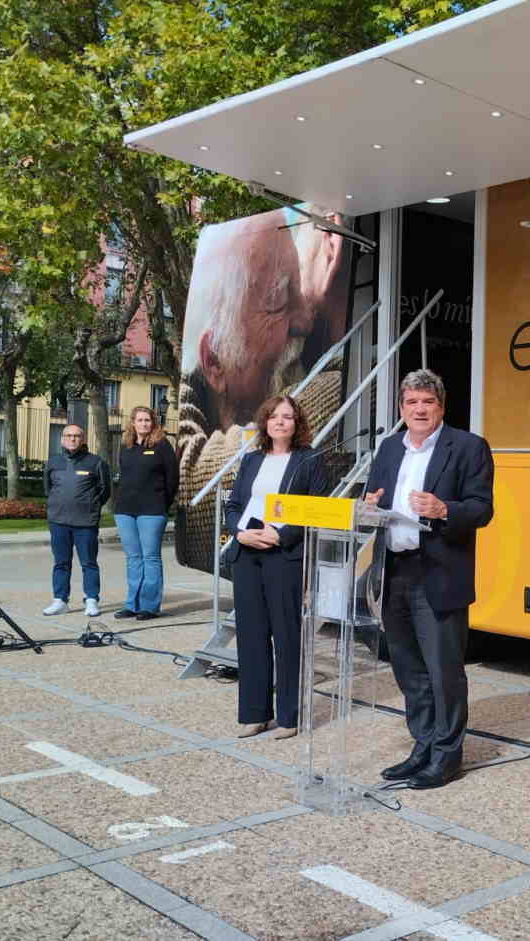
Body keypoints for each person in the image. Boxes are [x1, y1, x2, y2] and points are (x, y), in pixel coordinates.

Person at [176, 206, 351, 575]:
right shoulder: (210, 465)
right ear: (215, 361)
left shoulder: (213, 407)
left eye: (300, 288)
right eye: (278, 301)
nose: (306, 318)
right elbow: (212, 496)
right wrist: (338, 322)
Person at [364, 369, 494, 789]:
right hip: (395, 570)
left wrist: (444, 510)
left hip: (438, 572)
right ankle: (422, 746)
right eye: (412, 402)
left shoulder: (468, 447)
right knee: (408, 669)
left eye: (428, 402)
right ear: (401, 408)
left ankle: (447, 756)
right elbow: (372, 500)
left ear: (441, 406)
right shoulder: (388, 449)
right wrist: (365, 506)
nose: (419, 409)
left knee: (443, 672)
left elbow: (482, 509)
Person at [223, 394, 329, 739]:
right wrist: (240, 533)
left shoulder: (309, 460)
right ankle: (255, 713)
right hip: (247, 553)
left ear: (297, 423)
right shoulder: (251, 459)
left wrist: (280, 534)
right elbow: (235, 503)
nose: (280, 422)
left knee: (286, 635)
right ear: (265, 422)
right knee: (251, 636)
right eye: (274, 416)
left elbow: (316, 507)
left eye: (287, 416)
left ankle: (289, 716)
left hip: (284, 555)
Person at [113, 405, 179, 621]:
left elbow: (172, 479)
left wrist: (163, 502)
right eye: (140, 420)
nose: (144, 424)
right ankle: (132, 604)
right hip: (125, 509)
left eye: (147, 420)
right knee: (133, 558)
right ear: (132, 422)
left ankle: (149, 606)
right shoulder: (126, 445)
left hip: (151, 509)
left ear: (153, 423)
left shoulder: (162, 446)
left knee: (150, 557)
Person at [42, 425, 112, 617]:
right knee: (61, 562)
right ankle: (60, 600)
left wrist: (91, 506)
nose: (72, 439)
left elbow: (105, 490)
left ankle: (91, 600)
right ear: (62, 439)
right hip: (58, 521)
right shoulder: (53, 462)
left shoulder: (95, 462)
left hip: (85, 522)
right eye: (68, 436)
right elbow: (47, 489)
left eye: (76, 436)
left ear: (83, 439)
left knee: (88, 562)